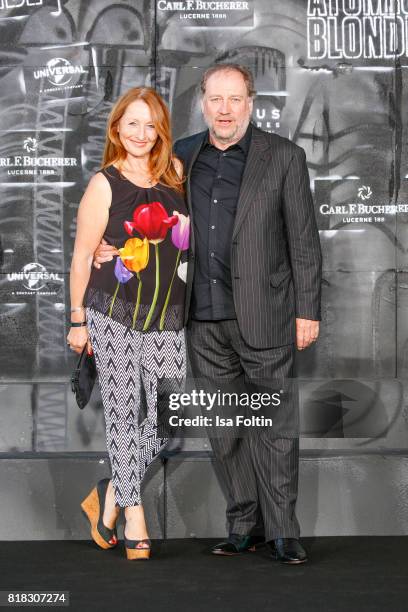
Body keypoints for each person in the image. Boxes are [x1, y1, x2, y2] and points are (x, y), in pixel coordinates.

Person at [94, 64, 322, 564]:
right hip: (199, 316)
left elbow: (304, 240)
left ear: (250, 103)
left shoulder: (284, 156)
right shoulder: (180, 157)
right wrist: (103, 250)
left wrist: (308, 310)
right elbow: (137, 212)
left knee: (275, 425)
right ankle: (245, 527)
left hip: (265, 314)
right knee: (224, 428)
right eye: (215, 99)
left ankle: (283, 531)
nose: (224, 109)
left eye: (234, 99)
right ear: (202, 103)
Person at [67, 87, 189, 560]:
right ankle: (135, 514)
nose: (141, 133)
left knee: (164, 420)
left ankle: (112, 492)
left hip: (165, 314)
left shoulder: (176, 173)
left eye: (150, 124)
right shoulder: (105, 183)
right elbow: (81, 257)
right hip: (111, 311)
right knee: (122, 413)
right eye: (131, 123)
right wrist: (78, 320)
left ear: (161, 130)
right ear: (117, 128)